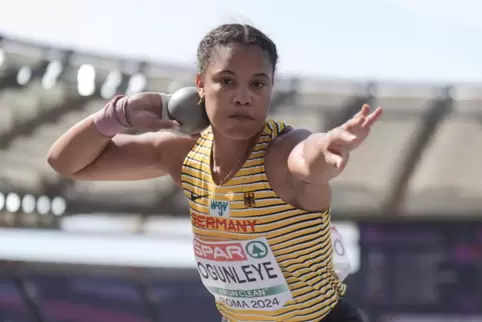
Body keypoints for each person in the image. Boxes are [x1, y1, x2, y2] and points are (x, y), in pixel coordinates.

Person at [47, 23, 382, 321]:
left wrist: (330, 145)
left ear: (270, 90)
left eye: (257, 84)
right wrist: (118, 115)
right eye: (226, 81)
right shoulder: (184, 154)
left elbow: (308, 158)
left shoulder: (281, 152)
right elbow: (66, 163)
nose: (243, 97)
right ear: (200, 86)